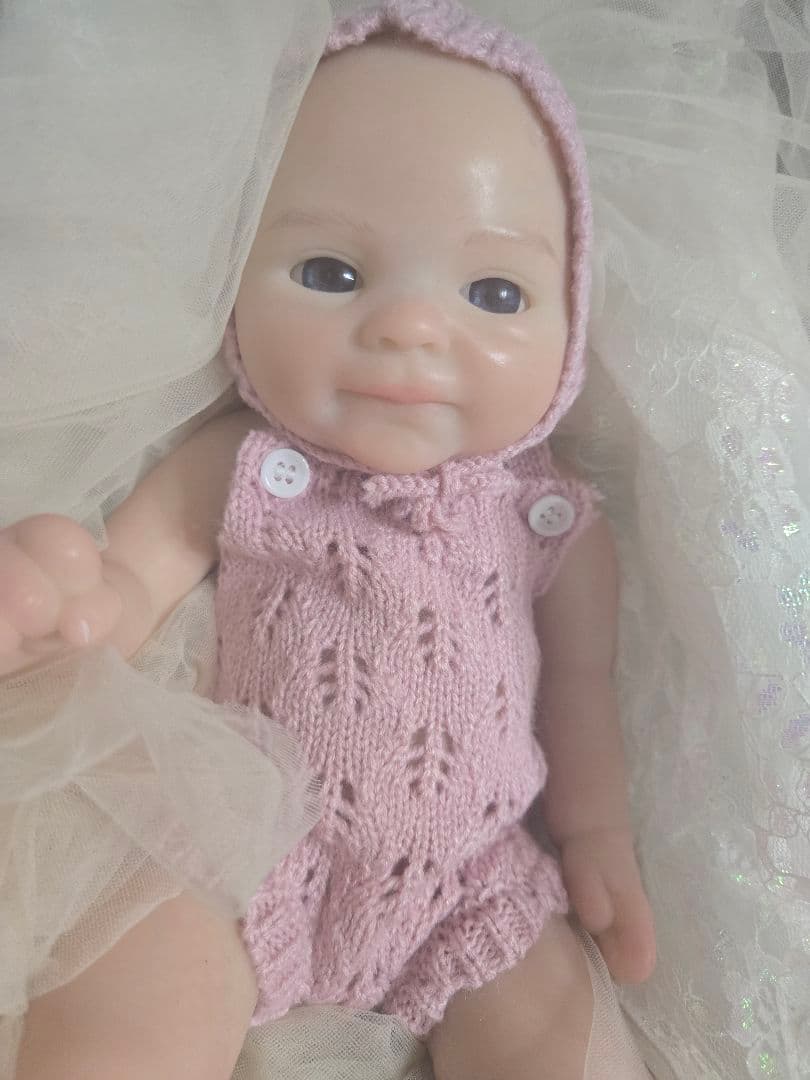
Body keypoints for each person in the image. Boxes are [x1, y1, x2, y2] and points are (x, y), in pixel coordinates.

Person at [5, 3, 656, 1077]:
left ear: (571, 325)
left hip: (472, 880)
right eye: (331, 274)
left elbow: (583, 693)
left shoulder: (551, 521)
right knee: (133, 994)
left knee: (557, 1043)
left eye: (495, 292)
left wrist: (597, 836)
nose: (408, 327)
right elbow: (131, 582)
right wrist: (63, 611)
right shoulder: (246, 465)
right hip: (242, 845)